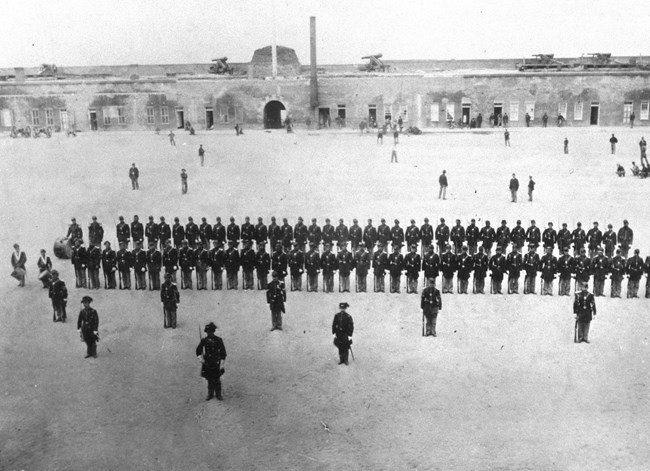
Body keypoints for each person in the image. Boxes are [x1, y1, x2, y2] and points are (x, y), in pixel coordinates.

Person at [196, 322, 227, 401]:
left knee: (217, 379)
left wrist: (222, 363)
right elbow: (198, 351)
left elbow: (223, 352)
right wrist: (201, 359)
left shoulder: (219, 340)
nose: (208, 333)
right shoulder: (204, 340)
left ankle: (218, 394)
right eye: (207, 332)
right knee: (209, 379)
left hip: (216, 362)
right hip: (207, 362)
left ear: (213, 331)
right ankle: (210, 394)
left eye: (210, 331)